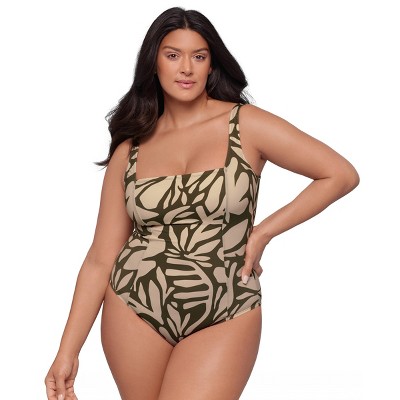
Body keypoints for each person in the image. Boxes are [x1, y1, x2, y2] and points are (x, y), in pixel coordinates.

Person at [44, 6, 359, 400]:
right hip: (135, 304)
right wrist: (67, 352)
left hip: (226, 305)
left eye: (199, 56)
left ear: (211, 65)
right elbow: (100, 258)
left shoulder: (247, 124)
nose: (186, 68)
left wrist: (262, 232)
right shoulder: (130, 150)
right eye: (173, 55)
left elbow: (339, 174)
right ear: (154, 63)